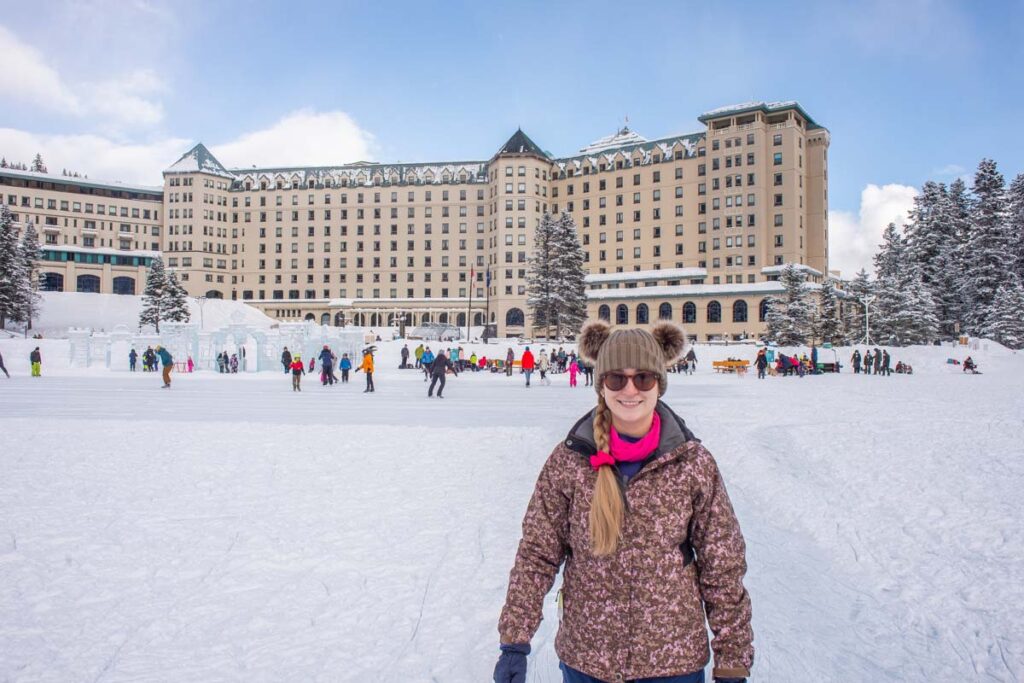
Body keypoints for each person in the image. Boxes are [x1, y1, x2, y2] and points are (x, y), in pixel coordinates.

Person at [494, 321, 753, 683]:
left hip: (672, 661)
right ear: (601, 384)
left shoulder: (693, 464)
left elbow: (722, 566)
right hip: (587, 659)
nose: (630, 390)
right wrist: (514, 640)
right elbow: (537, 553)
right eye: (616, 378)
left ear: (659, 384)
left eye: (643, 378)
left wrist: (732, 659)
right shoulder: (570, 461)